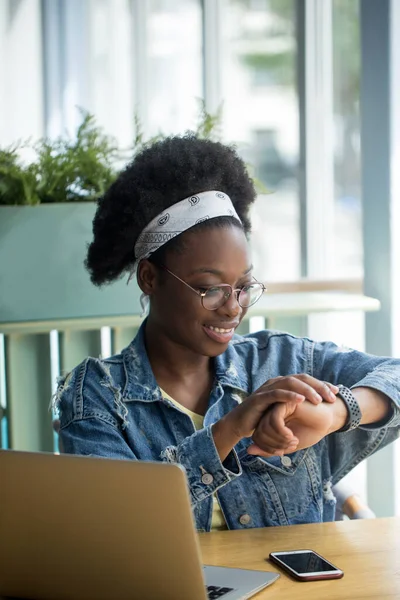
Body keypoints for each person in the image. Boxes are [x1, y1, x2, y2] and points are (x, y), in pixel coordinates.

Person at [55, 135, 400, 532]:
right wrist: (231, 428)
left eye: (243, 286)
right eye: (210, 288)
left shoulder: (284, 361)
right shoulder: (96, 394)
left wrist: (336, 411)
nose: (234, 306)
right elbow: (117, 527)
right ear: (149, 278)